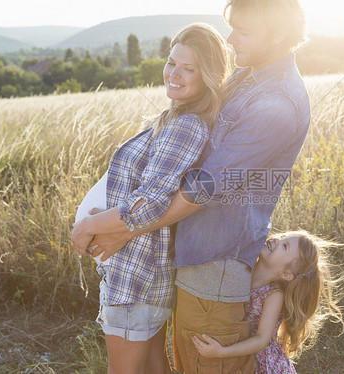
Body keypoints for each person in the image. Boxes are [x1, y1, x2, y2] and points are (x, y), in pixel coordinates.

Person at [71, 0, 311, 372]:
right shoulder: (249, 76)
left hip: (214, 270)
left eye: (244, 32)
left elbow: (201, 189)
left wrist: (120, 229)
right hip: (194, 263)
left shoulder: (276, 103)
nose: (231, 39)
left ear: (278, 34)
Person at [72, 23, 230, 374]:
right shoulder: (175, 117)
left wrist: (88, 225)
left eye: (188, 69)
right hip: (141, 275)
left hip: (136, 279)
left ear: (208, 76)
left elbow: (153, 200)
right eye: (172, 62)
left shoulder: (187, 124)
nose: (174, 74)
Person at [191, 231, 344, 373]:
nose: (276, 240)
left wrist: (222, 352)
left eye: (284, 246)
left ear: (285, 273)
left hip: (263, 364)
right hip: (241, 353)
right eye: (282, 238)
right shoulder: (243, 270)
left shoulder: (273, 296)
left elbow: (261, 339)